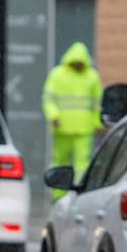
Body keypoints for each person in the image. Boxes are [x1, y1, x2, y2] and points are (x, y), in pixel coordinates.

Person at [42, 41, 104, 199]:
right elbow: (49, 99)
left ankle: (74, 194)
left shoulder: (87, 76)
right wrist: (53, 116)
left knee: (79, 162)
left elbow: (97, 103)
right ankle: (60, 194)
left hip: (79, 128)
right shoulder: (85, 75)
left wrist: (98, 123)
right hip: (69, 127)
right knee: (64, 161)